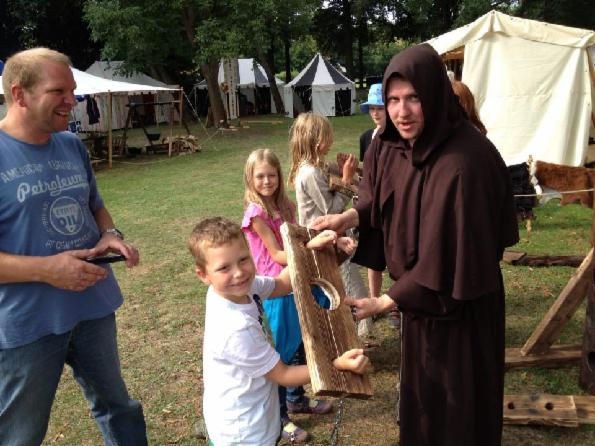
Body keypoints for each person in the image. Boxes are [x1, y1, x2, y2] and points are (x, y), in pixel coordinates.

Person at [312, 43, 519, 445]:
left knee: (459, 409)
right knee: (423, 405)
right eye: (392, 100)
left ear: (434, 95)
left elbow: (453, 255)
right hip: (419, 303)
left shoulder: (466, 162)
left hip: (462, 309)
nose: (401, 112)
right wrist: (346, 219)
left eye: (413, 98)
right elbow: (378, 198)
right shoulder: (392, 145)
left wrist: (385, 301)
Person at [0, 48, 147, 445]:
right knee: (20, 433)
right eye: (59, 91)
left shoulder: (70, 144)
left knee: (119, 408)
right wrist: (46, 270)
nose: (73, 100)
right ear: (19, 94)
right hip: (29, 322)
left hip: (92, 306)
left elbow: (94, 206)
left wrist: (110, 234)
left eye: (73, 90)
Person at [187, 217, 368, 446]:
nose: (239, 272)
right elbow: (284, 375)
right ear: (203, 275)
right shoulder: (236, 327)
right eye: (224, 268)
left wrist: (309, 249)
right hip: (245, 432)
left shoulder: (234, 289)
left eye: (243, 259)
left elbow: (282, 284)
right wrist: (336, 366)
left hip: (250, 410)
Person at [242, 148, 354, 442]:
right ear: (250, 179)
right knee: (280, 352)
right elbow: (278, 255)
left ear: (279, 176)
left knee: (301, 343)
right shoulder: (256, 215)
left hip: (296, 281)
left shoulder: (285, 206)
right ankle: (279, 416)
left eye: (271, 175)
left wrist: (331, 239)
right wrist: (313, 245)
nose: (267, 181)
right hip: (275, 289)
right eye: (260, 176)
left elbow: (299, 235)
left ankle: (296, 398)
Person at [287, 112, 374, 340]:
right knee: (347, 288)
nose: (332, 139)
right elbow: (331, 211)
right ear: (317, 140)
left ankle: (355, 332)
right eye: (328, 135)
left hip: (331, 237)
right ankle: (356, 335)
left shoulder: (316, 167)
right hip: (325, 240)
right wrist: (346, 180)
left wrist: (343, 170)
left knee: (344, 286)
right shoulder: (310, 173)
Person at [359, 84, 397, 327]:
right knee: (373, 255)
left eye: (380, 108)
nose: (375, 113)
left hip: (393, 207)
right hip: (371, 207)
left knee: (395, 256)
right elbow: (367, 172)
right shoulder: (366, 138)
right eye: (372, 108)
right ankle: (374, 300)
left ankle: (395, 304)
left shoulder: (398, 137)